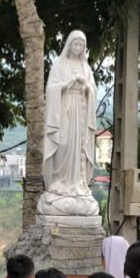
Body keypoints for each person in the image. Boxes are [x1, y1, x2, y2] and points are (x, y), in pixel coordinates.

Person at [42, 31, 97, 198]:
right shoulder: (59, 64)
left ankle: (77, 183)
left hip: (80, 112)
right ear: (69, 44)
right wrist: (65, 85)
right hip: (63, 110)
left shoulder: (86, 68)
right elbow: (50, 89)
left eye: (81, 45)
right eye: (75, 44)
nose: (78, 48)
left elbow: (93, 90)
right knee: (63, 144)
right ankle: (60, 181)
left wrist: (86, 86)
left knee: (79, 145)